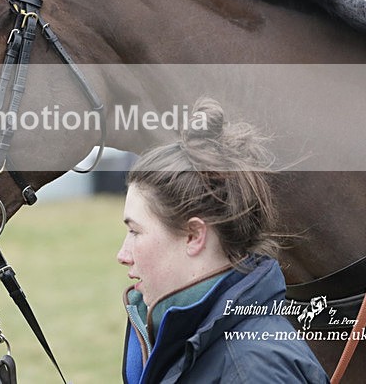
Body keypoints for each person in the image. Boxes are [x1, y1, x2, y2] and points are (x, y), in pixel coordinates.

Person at [117, 98, 329, 383]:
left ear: (194, 235)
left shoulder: (252, 370)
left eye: (135, 231)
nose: (123, 254)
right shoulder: (183, 336)